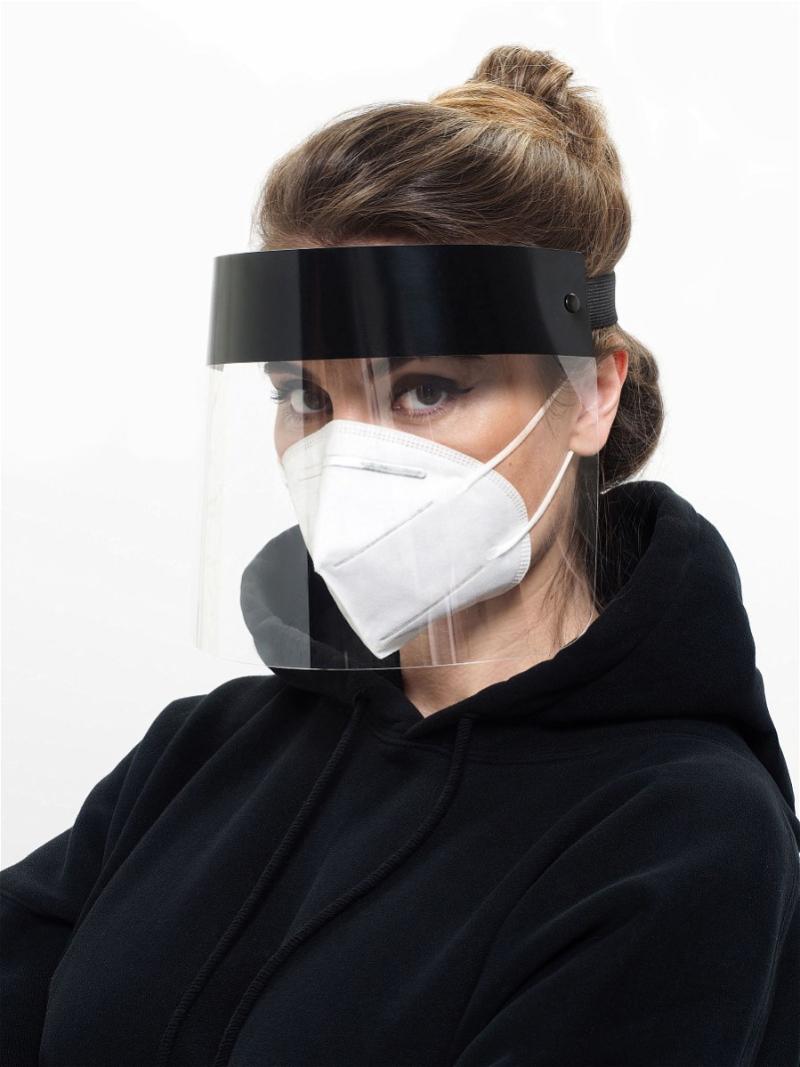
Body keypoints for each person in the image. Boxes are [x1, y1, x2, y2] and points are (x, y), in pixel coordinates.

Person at [2, 44, 798, 1067]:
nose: (345, 453)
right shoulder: (206, 751)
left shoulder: (682, 834)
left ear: (590, 392)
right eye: (306, 396)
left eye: (425, 389)